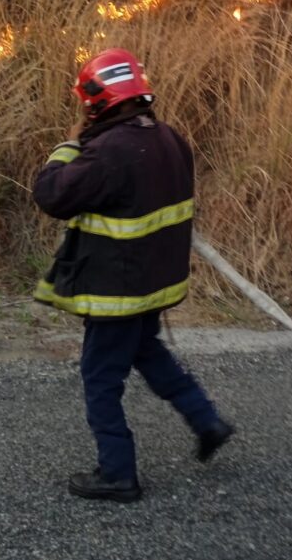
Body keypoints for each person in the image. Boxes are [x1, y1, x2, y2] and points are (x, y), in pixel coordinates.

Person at [33, 48, 233, 503]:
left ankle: (117, 473)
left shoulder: (107, 151)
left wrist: (68, 145)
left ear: (96, 100)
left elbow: (51, 195)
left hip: (116, 292)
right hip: (152, 283)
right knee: (147, 351)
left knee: (100, 377)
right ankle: (206, 420)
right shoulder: (169, 138)